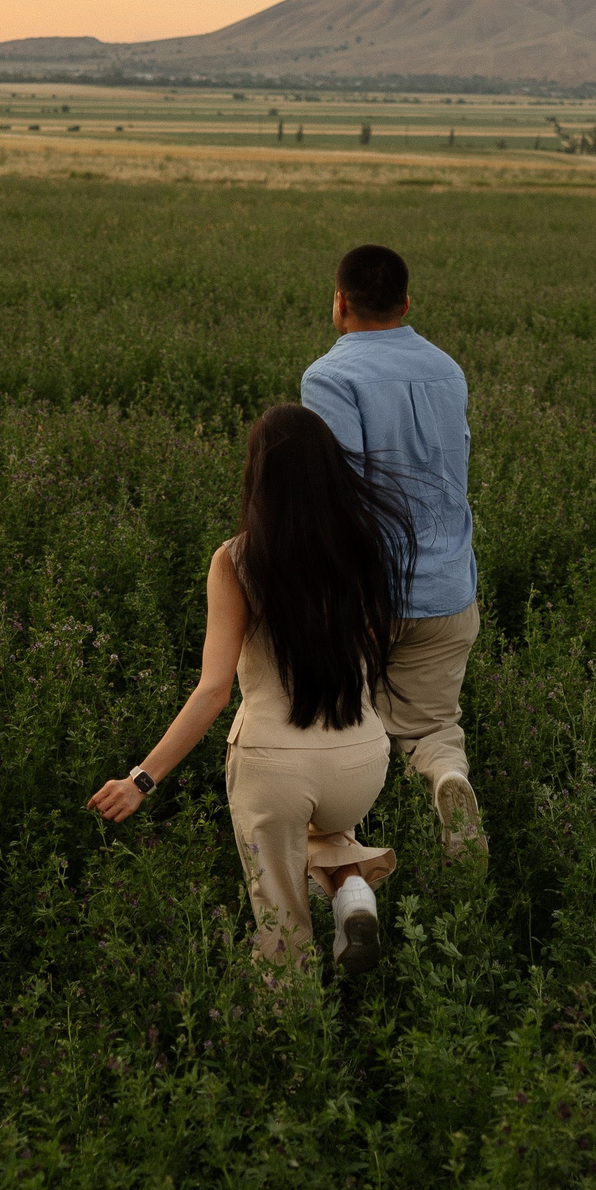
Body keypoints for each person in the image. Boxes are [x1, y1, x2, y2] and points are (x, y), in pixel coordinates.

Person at [88, 404, 414, 971]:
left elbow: (214, 690)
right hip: (361, 759)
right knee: (324, 823)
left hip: (274, 765)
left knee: (280, 917)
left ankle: (293, 1035)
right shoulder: (367, 547)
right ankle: (352, 889)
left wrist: (142, 778)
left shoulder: (238, 560)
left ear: (258, 475)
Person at [300, 244, 486, 860]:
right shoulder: (447, 368)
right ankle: (447, 779)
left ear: (339, 304)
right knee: (432, 726)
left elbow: (339, 496)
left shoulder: (329, 377)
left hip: (367, 594)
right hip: (449, 591)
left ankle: (350, 867)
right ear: (406, 304)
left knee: (342, 728)